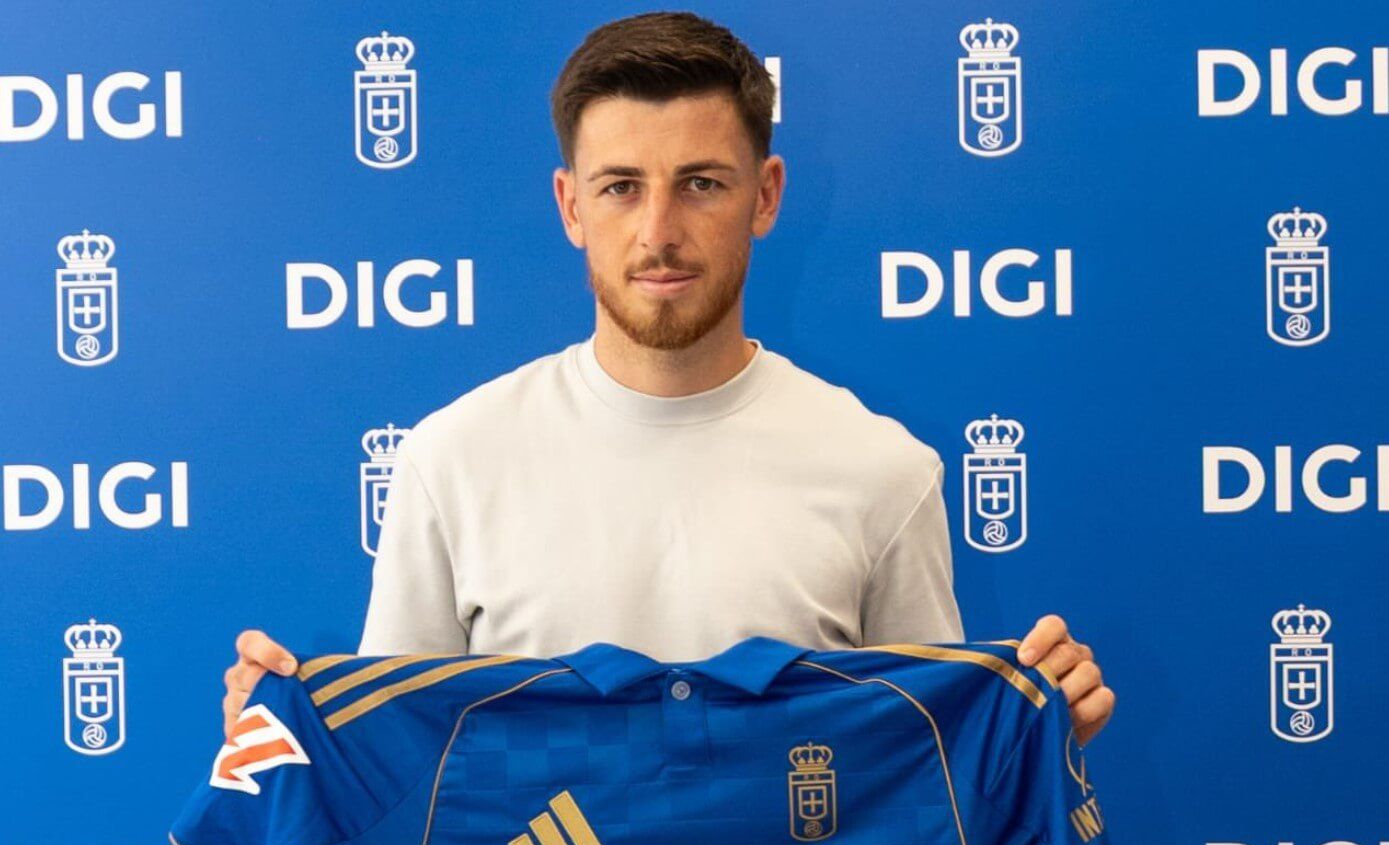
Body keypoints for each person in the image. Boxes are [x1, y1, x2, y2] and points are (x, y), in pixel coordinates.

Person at [222, 10, 1114, 748]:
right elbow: (398, 768)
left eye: (700, 184)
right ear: (570, 205)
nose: (658, 231)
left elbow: (927, 769)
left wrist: (1030, 738)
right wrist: (287, 737)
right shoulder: (451, 460)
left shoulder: (882, 471)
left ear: (764, 196)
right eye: (619, 187)